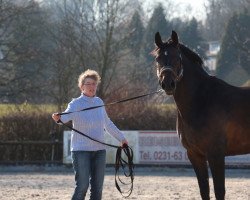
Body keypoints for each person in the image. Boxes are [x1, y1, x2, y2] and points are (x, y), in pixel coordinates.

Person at [52, 69, 128, 200]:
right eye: (88, 84)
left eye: (94, 84)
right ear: (82, 86)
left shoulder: (99, 102)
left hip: (99, 152)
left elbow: (108, 124)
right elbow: (64, 117)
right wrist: (58, 117)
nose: (92, 86)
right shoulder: (75, 104)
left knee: (97, 189)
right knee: (82, 186)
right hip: (81, 151)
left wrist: (122, 139)